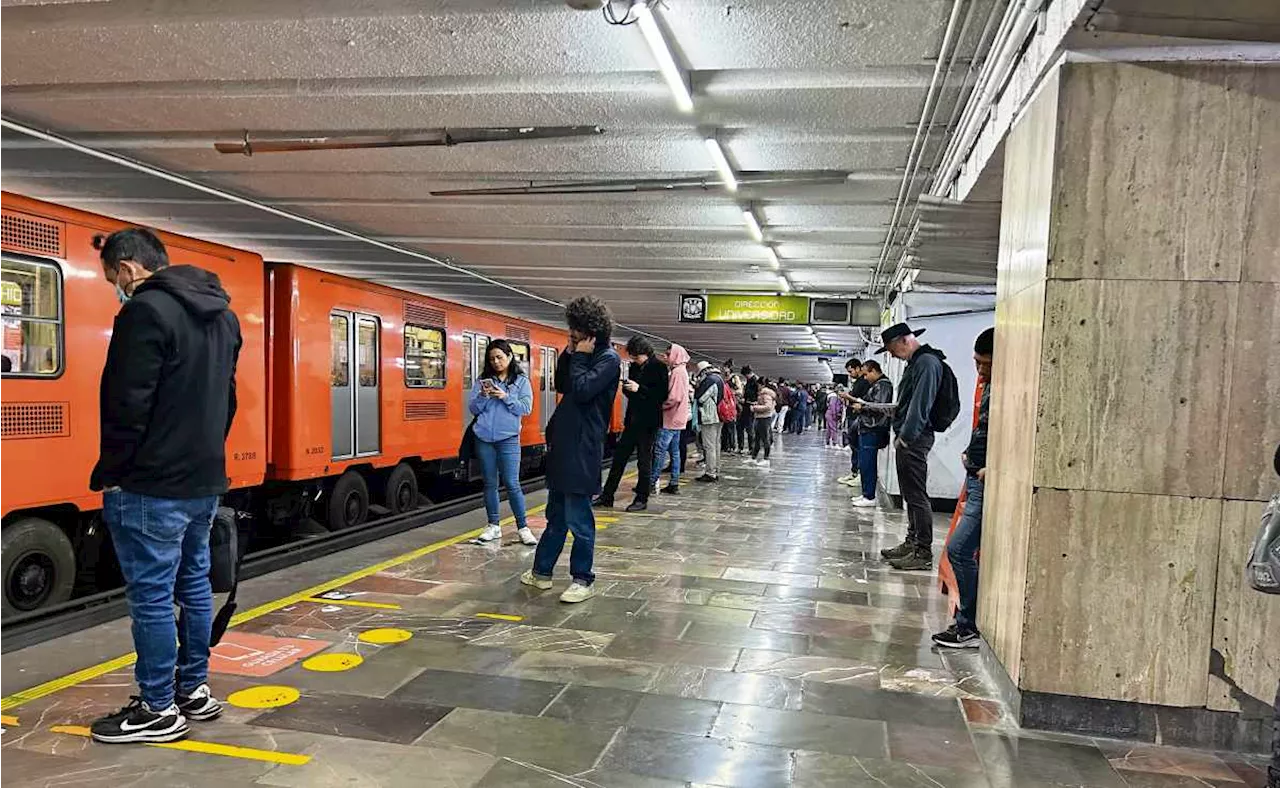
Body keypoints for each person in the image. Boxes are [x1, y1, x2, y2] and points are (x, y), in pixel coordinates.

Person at [87, 228, 241, 744]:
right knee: (194, 583)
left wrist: (114, 469)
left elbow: (126, 405)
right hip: (203, 479)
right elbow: (229, 401)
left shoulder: (143, 312)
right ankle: (192, 690)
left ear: (128, 269)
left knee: (152, 595)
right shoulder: (225, 315)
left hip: (150, 483)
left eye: (114, 279)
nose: (117, 289)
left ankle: (157, 709)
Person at [523, 296, 621, 603]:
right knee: (556, 514)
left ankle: (583, 578)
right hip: (565, 443)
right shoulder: (582, 353)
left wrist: (579, 357)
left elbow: (581, 391)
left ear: (591, 331)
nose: (572, 335)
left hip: (583, 445)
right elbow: (564, 385)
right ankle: (541, 573)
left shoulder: (608, 359)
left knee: (578, 517)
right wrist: (569, 355)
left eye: (576, 331)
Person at [932, 328, 993, 648]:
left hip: (984, 481)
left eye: (986, 363)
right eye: (976, 363)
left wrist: (990, 467)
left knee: (959, 549)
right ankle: (967, 621)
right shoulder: (989, 387)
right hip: (975, 475)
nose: (980, 370)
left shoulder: (1007, 390)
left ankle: (967, 625)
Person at [875, 323, 948, 571]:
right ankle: (912, 542)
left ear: (905, 341)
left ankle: (922, 551)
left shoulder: (927, 363)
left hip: (915, 439)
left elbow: (921, 405)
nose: (892, 355)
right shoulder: (916, 363)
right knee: (910, 493)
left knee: (916, 495)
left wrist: (905, 437)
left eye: (892, 349)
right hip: (910, 438)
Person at [470, 339, 538, 546]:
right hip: (484, 438)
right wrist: (482, 396)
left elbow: (525, 409)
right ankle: (493, 526)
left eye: (500, 357)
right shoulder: (483, 380)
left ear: (509, 357)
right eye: (492, 359)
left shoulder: (521, 382)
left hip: (508, 438)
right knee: (490, 483)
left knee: (512, 483)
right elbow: (473, 409)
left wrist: (505, 397)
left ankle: (523, 527)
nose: (496, 362)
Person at [594, 336, 667, 512]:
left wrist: (639, 389)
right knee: (619, 459)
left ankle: (642, 498)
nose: (634, 360)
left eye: (636, 356)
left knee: (644, 461)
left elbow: (661, 395)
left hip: (648, 422)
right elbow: (634, 394)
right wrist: (629, 389)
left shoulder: (659, 368)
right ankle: (607, 496)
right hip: (632, 420)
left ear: (645, 353)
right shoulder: (635, 367)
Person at [849, 360, 893, 508]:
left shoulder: (884, 385)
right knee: (865, 463)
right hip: (867, 427)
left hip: (873, 428)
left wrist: (861, 407)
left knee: (868, 463)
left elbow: (879, 407)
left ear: (874, 371)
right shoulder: (877, 385)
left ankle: (869, 496)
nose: (865, 377)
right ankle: (866, 493)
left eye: (867, 374)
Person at [651, 343, 691, 495]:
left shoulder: (677, 372)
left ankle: (651, 481)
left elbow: (674, 398)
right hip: (678, 420)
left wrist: (660, 406)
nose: (665, 357)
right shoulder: (683, 371)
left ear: (675, 355)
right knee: (675, 452)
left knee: (659, 451)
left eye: (668, 355)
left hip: (670, 418)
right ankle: (673, 483)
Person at [693, 361, 723, 483]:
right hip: (718, 416)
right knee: (716, 445)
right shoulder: (719, 378)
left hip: (709, 417)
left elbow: (700, 398)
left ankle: (710, 473)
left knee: (709, 446)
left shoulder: (709, 380)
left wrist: (697, 386)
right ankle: (716, 470)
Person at [747, 380, 777, 467]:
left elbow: (768, 407)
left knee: (764, 439)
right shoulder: (762, 394)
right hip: (760, 418)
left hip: (764, 418)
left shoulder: (766, 395)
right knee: (757, 439)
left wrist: (755, 408)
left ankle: (766, 459)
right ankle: (754, 457)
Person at [739, 366, 759, 454]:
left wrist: (747, 400)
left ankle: (751, 448)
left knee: (749, 428)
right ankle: (744, 447)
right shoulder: (750, 381)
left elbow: (755, 395)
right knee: (742, 427)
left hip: (750, 407)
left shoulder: (755, 381)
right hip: (746, 406)